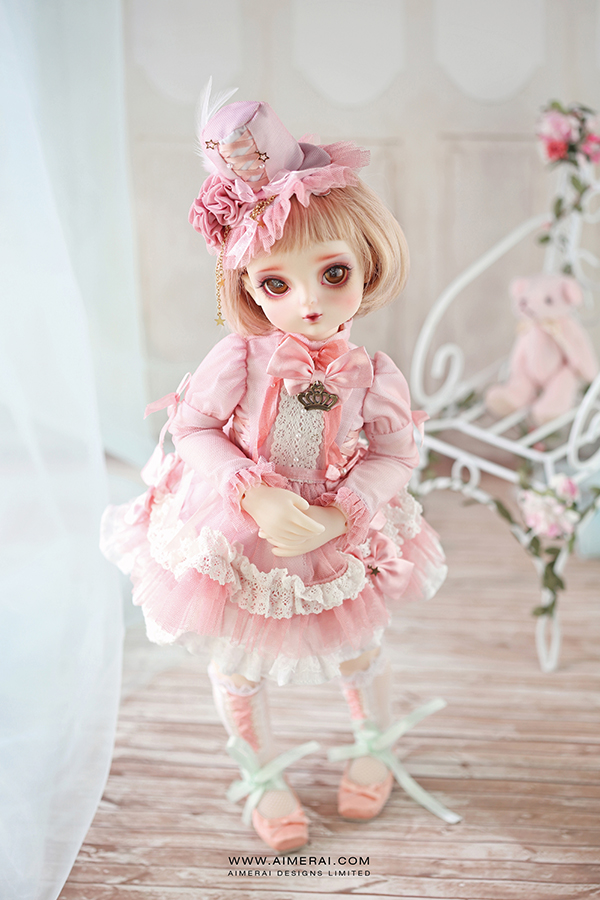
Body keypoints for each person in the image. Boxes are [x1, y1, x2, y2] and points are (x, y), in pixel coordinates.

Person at [101, 92, 459, 851]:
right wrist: (254, 495)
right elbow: (194, 427)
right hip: (242, 526)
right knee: (239, 663)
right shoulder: (238, 356)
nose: (309, 302)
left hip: (332, 526)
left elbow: (396, 454)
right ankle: (261, 771)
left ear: (367, 263)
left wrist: (340, 512)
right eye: (276, 283)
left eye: (333, 272)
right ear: (246, 286)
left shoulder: (373, 374)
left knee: (358, 646)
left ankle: (373, 744)